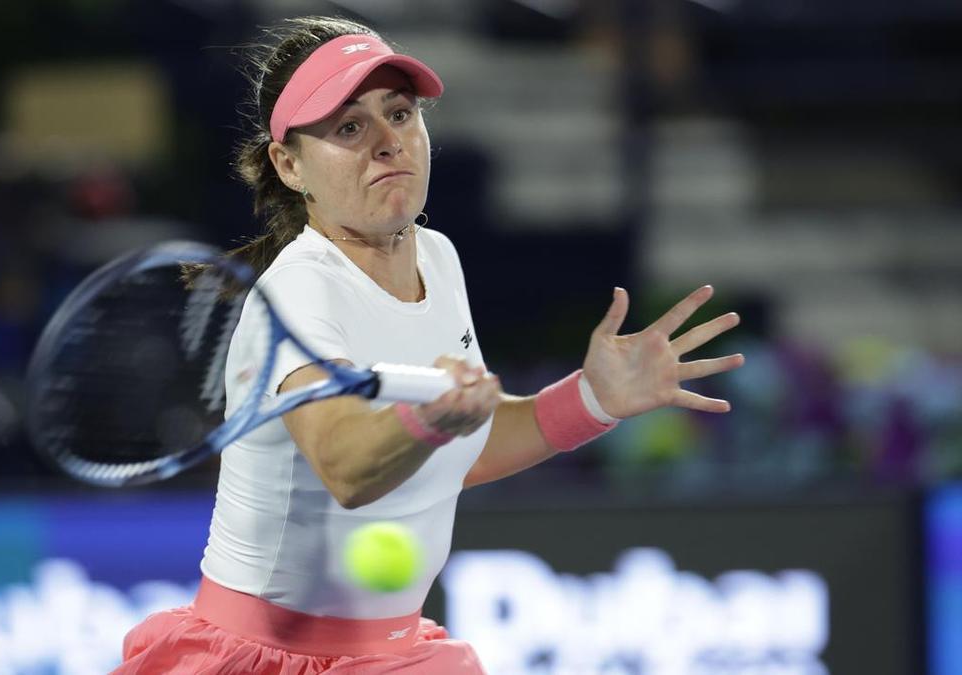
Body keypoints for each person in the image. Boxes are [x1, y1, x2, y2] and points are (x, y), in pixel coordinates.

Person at [115, 15, 744, 674]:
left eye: (400, 113)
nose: (389, 142)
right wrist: (429, 418)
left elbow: (456, 454)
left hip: (393, 654)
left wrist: (593, 399)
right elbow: (346, 466)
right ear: (290, 165)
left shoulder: (437, 257)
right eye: (350, 127)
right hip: (264, 659)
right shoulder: (297, 291)